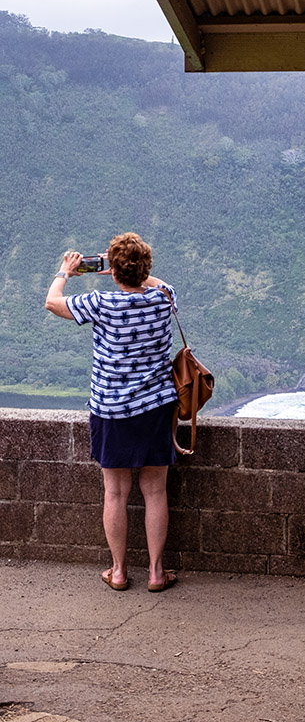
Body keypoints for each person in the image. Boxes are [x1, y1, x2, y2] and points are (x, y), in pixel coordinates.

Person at [45, 232, 178, 593]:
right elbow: (160, 282)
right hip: (155, 408)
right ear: (146, 267)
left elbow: (52, 303)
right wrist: (131, 270)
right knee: (155, 491)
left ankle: (118, 571)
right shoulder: (164, 298)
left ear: (114, 271)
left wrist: (65, 271)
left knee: (115, 492)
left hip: (111, 410)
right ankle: (155, 571)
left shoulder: (101, 303)